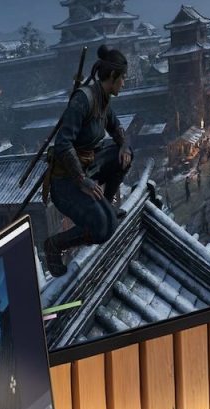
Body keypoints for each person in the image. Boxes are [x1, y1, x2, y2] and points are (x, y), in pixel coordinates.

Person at [42, 45, 133, 277]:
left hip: (89, 168)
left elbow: (116, 128)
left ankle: (107, 205)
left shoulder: (104, 99)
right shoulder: (84, 100)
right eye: (122, 78)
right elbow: (63, 144)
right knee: (103, 229)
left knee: (124, 156)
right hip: (67, 181)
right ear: (112, 76)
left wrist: (124, 146)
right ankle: (54, 246)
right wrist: (82, 180)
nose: (124, 83)